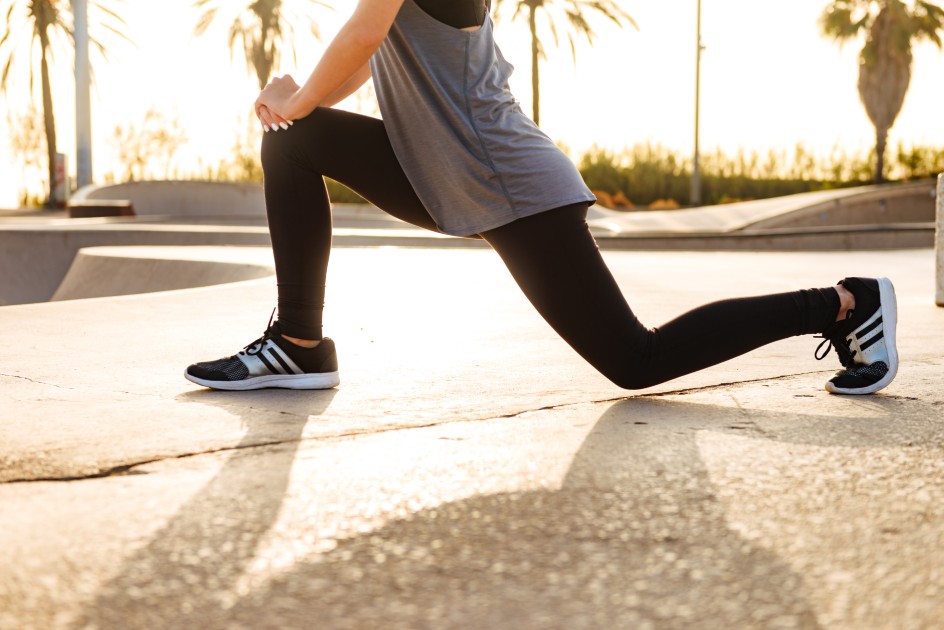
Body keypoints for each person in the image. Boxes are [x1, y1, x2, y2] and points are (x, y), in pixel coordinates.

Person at [185, 0, 898, 396]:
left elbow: (364, 31)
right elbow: (370, 50)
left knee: (635, 361)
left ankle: (844, 302)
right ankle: (299, 345)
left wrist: (294, 96)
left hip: (508, 178)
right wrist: (299, 109)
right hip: (437, 170)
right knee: (292, 141)